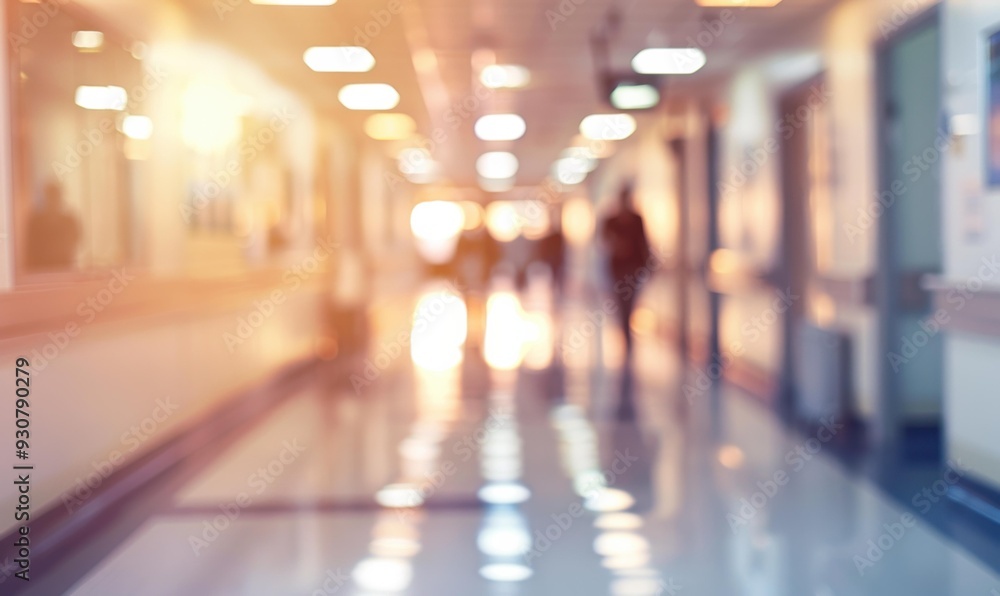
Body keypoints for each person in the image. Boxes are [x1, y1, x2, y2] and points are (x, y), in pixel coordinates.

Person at [601, 184, 651, 357]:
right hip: (617, 267)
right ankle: (624, 329)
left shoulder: (637, 219)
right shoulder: (611, 221)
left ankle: (627, 329)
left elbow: (644, 243)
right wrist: (616, 244)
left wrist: (649, 265)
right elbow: (604, 241)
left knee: (631, 299)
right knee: (620, 300)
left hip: (634, 268)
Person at [26, 182, 81, 271]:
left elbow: (76, 240)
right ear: (46, 197)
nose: (53, 200)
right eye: (51, 196)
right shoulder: (35, 222)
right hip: (41, 270)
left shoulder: (69, 221)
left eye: (56, 196)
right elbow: (31, 247)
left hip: (65, 267)